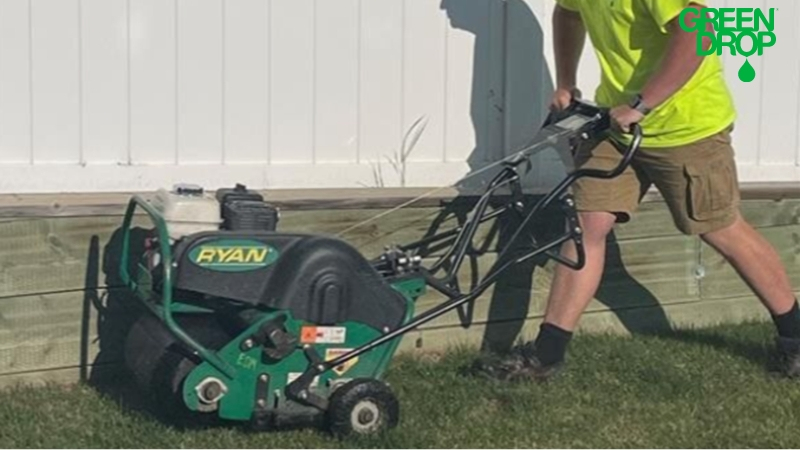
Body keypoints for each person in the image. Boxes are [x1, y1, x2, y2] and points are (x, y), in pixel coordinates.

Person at [476, 0, 800, 381]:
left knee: (720, 227)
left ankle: (795, 337)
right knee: (586, 226)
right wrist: (566, 81)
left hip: (687, 127)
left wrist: (643, 104)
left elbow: (698, 32)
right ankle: (546, 356)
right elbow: (568, 13)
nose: (448, 10)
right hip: (618, 126)